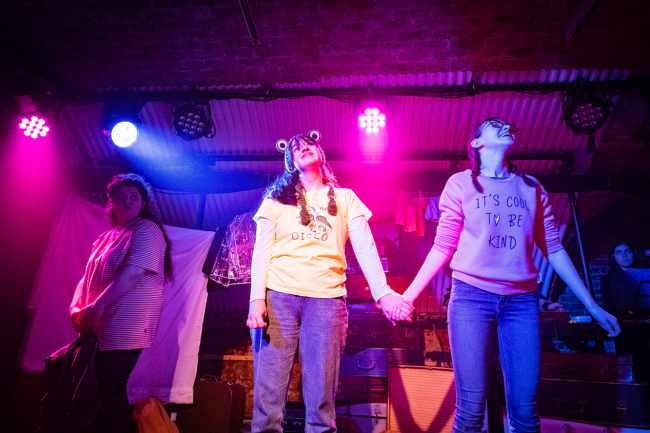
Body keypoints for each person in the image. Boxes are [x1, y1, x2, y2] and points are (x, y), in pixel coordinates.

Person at [398, 118, 620, 433]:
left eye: (506, 124)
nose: (505, 126)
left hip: (521, 303)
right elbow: (443, 246)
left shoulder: (532, 187)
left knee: (526, 416)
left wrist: (593, 307)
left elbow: (554, 248)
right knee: (470, 414)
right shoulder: (460, 184)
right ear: (476, 143)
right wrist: (408, 296)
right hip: (471, 298)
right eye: (494, 124)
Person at [246, 131, 413, 433]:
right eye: (296, 148)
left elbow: (366, 249)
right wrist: (256, 300)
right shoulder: (275, 201)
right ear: (290, 162)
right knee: (268, 397)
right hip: (279, 297)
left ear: (320, 153)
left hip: (326, 300)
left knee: (322, 399)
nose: (303, 148)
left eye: (308, 144)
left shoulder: (347, 199)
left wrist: (383, 293)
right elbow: (261, 252)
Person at [69, 173, 172, 433]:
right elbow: (86, 277)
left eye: (133, 197)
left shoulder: (146, 228)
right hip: (99, 323)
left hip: (125, 324)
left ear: (143, 202)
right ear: (112, 203)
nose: (127, 201)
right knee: (98, 389)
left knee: (111, 389)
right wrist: (75, 308)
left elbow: (134, 272)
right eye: (121, 197)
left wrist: (97, 306)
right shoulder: (106, 237)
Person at [602, 241, 644, 313]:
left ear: (634, 253)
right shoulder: (608, 279)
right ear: (613, 257)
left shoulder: (645, 274)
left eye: (628, 251)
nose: (624, 255)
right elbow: (609, 306)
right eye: (618, 252)